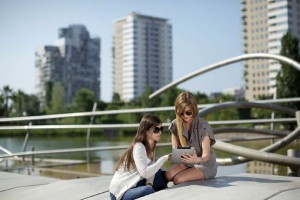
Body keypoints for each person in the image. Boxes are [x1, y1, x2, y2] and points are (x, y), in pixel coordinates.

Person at [109, 114, 171, 200]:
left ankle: (153, 191)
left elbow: (150, 172)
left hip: (137, 182)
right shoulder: (139, 147)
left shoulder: (151, 146)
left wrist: (149, 184)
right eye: (156, 129)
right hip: (121, 192)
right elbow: (145, 173)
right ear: (146, 131)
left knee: (162, 176)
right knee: (147, 191)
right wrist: (163, 159)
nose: (160, 132)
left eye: (161, 129)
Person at [166, 91, 217, 185]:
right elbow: (175, 150)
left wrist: (196, 160)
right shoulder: (175, 124)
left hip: (204, 164)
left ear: (194, 110)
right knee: (168, 175)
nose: (185, 116)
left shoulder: (203, 125)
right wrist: (172, 156)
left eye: (188, 112)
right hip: (186, 162)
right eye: (181, 113)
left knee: (178, 179)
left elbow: (206, 156)